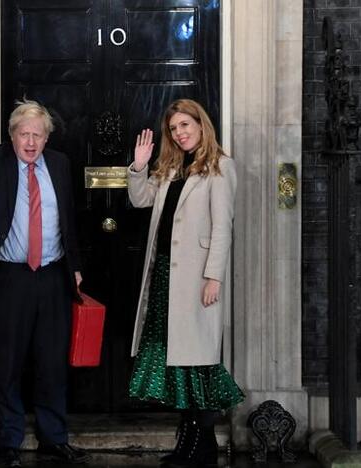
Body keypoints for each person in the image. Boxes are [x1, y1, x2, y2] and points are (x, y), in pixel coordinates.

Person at [0, 81, 90, 467]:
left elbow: (67, 222)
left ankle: (53, 438)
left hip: (54, 278)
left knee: (52, 362)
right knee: (8, 363)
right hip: (8, 279)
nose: (30, 141)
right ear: (12, 135)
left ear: (46, 138)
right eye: (24, 133)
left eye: (37, 134)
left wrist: (74, 268)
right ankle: (7, 442)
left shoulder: (59, 164)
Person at [127, 99, 245, 467]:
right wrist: (139, 166)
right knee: (178, 364)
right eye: (174, 129)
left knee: (198, 364)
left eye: (185, 125)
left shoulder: (220, 167)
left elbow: (223, 228)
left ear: (200, 124)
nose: (180, 133)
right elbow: (139, 199)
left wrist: (214, 277)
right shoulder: (172, 168)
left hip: (196, 281)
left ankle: (202, 446)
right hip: (165, 277)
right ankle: (189, 443)